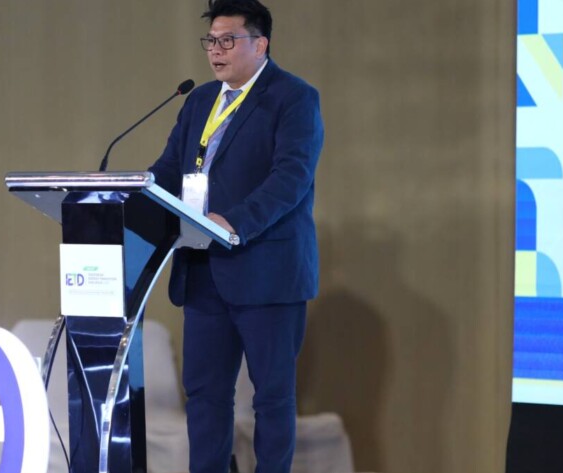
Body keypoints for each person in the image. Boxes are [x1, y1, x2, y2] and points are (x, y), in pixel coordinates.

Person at [148, 1, 324, 471]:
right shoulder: (199, 100)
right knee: (204, 394)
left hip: (267, 272)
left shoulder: (294, 98)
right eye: (211, 41)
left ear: (260, 44)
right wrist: (130, 194)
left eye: (227, 40)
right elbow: (168, 169)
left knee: (271, 398)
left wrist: (234, 221)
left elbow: (291, 177)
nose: (215, 50)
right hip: (202, 269)